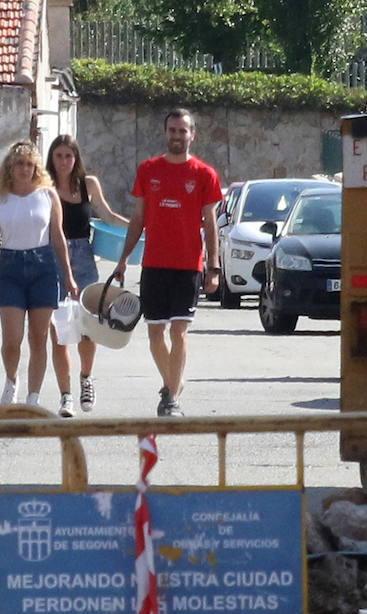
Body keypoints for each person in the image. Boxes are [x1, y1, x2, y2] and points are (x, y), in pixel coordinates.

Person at [112, 108, 223, 416]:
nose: (177, 135)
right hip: (154, 264)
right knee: (155, 333)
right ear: (166, 133)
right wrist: (123, 258)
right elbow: (137, 218)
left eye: (182, 130)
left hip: (188, 266)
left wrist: (213, 268)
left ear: (192, 134)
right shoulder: (148, 170)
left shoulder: (204, 174)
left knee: (179, 331)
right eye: (172, 130)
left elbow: (211, 223)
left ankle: (170, 397)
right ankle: (174, 382)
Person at [0, 141, 77, 408]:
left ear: (36, 167)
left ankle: (34, 396)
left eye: (29, 164)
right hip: (10, 267)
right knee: (11, 338)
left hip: (43, 266)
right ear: (9, 168)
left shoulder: (47, 196)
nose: (25, 169)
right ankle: (11, 381)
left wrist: (69, 276)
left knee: (39, 336)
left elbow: (58, 237)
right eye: (19, 164)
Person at [45, 134, 130, 417]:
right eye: (59, 156)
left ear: (76, 158)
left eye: (69, 156)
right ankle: (65, 395)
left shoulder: (88, 184)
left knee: (88, 328)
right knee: (59, 331)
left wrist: (138, 229)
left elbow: (107, 216)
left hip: (84, 258)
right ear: (51, 158)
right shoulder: (44, 186)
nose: (64, 161)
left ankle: (86, 379)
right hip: (53, 258)